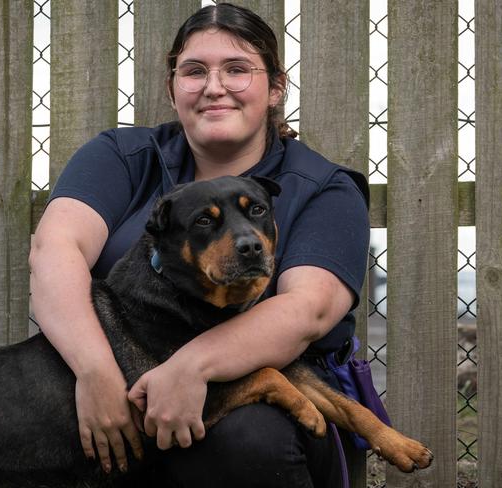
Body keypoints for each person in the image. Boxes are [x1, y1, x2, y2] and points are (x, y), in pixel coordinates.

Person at [29, 3, 370, 487]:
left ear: (275, 88)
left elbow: (306, 311)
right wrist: (96, 373)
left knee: (245, 439)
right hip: (121, 383)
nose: (214, 87)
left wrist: (190, 369)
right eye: (194, 72)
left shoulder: (321, 188)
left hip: (276, 405)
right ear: (172, 89)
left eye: (237, 69)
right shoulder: (123, 157)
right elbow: (54, 252)